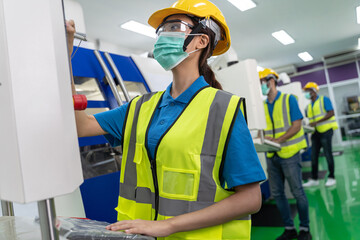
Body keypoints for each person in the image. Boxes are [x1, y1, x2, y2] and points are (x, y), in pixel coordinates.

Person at [66, 0, 266, 239]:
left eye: (174, 27)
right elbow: (81, 126)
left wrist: (167, 226)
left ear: (201, 41)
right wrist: (65, 58)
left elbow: (251, 199)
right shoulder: (141, 106)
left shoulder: (223, 108)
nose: (162, 37)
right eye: (162, 30)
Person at [259, 69, 312, 240]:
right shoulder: (262, 105)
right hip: (271, 155)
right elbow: (263, 128)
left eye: (263, 82)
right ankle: (289, 228)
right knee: (278, 194)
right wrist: (264, 138)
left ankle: (305, 228)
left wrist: (278, 140)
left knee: (297, 192)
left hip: (289, 153)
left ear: (272, 81)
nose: (261, 86)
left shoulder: (289, 99)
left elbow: (297, 125)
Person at [302, 82, 338, 188]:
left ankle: (332, 177)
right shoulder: (308, 106)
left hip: (326, 131)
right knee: (313, 156)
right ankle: (314, 179)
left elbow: (331, 113)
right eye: (306, 91)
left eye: (308, 91)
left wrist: (316, 122)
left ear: (314, 91)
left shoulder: (324, 100)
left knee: (328, 154)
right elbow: (309, 119)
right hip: (315, 133)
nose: (307, 93)